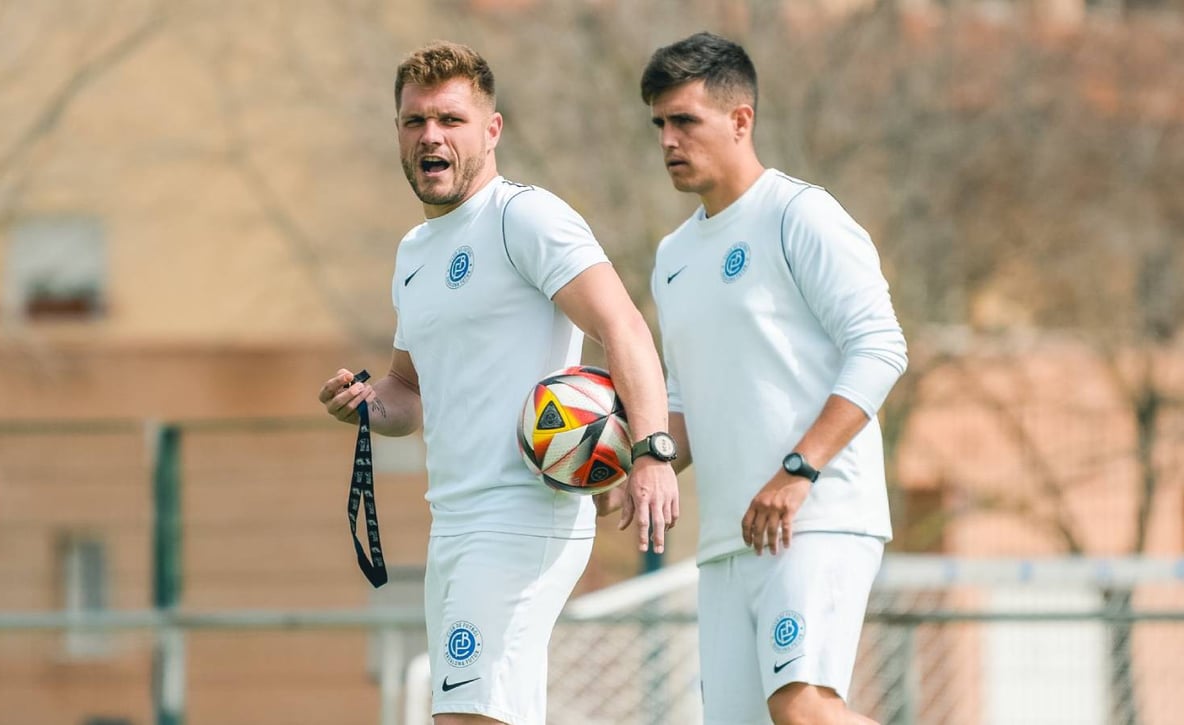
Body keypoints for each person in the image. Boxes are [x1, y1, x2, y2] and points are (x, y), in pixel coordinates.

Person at [318, 41, 679, 725]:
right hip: (452, 524)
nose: (431, 135)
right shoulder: (415, 254)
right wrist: (367, 405)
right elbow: (408, 389)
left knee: (466, 717)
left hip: (523, 514)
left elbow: (624, 326)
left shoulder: (524, 217)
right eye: (415, 121)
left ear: (492, 130)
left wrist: (654, 450)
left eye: (451, 119)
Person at [640, 32, 908, 725]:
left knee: (803, 709)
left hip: (815, 515)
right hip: (730, 539)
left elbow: (880, 347)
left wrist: (799, 470)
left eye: (685, 121)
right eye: (660, 124)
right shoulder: (672, 257)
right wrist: (639, 459)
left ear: (741, 119)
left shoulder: (800, 215)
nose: (669, 140)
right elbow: (682, 403)